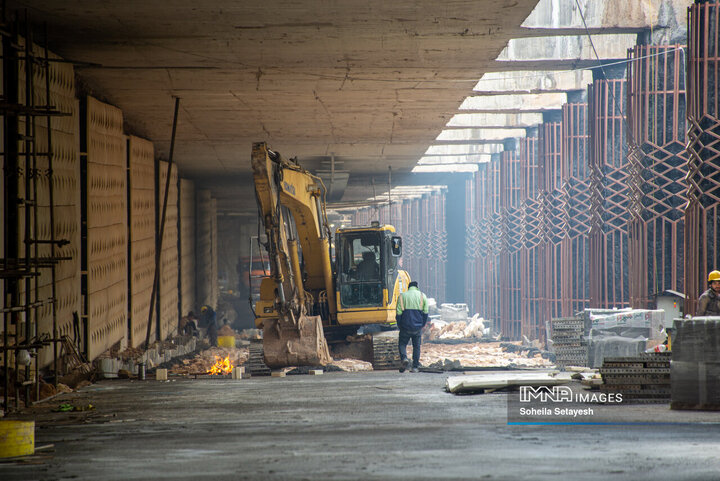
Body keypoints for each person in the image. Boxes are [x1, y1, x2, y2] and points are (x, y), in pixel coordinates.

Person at [395, 281, 428, 373]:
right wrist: (422, 325)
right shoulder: (422, 296)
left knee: (402, 344)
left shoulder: (402, 296)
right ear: (417, 287)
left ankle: (404, 358)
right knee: (416, 346)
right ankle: (415, 367)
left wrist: (400, 325)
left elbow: (398, 314)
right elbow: (425, 313)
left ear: (408, 287)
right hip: (417, 327)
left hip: (405, 326)